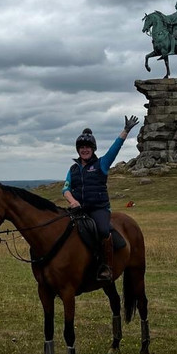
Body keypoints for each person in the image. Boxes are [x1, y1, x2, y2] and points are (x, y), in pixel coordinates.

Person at [62, 116, 139, 281]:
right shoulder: (73, 169)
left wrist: (125, 131)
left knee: (103, 230)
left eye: (88, 147)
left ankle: (105, 265)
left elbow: (115, 149)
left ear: (93, 149)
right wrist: (72, 201)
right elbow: (66, 188)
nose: (84, 150)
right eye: (81, 147)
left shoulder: (101, 164)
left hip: (99, 209)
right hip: (79, 208)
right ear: (78, 150)